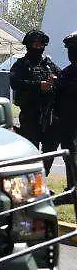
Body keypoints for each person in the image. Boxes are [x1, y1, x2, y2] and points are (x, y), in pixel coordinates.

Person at [9, 29, 60, 150]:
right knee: (31, 149)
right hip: (30, 114)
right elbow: (14, 82)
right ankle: (35, 169)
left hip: (49, 115)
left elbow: (61, 77)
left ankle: (45, 169)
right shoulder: (21, 64)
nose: (38, 47)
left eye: (41, 45)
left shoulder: (48, 64)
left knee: (51, 148)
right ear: (29, 45)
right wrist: (38, 85)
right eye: (35, 44)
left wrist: (55, 79)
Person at [50, 32, 77, 177]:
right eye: (69, 49)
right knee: (69, 154)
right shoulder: (66, 73)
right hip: (67, 121)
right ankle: (72, 188)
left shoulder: (66, 74)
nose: (71, 53)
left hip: (69, 120)